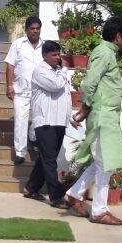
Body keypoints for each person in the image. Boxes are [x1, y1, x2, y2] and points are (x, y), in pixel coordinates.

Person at [65, 17, 122, 226]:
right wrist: (84, 107)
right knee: (106, 163)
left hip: (106, 115)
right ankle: (99, 211)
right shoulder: (104, 53)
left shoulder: (107, 52)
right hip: (103, 115)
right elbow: (91, 81)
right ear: (118, 36)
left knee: (102, 162)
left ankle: (75, 194)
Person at [23, 40, 72, 209]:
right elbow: (55, 85)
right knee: (51, 161)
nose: (58, 58)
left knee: (46, 158)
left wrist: (70, 118)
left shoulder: (59, 72)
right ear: (45, 56)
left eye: (59, 54)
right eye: (54, 55)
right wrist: (64, 69)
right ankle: (56, 197)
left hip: (60, 122)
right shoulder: (40, 71)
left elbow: (66, 96)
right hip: (45, 122)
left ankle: (31, 188)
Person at [4, 16, 44, 165]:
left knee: (40, 119)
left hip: (40, 91)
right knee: (20, 121)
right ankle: (20, 152)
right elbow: (10, 66)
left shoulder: (45, 46)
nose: (35, 31)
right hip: (20, 90)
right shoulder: (17, 44)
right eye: (32, 29)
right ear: (26, 30)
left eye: (37, 28)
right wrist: (9, 85)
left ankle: (33, 137)